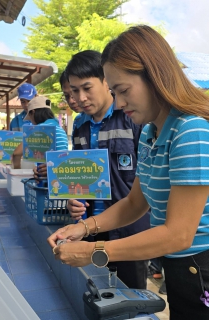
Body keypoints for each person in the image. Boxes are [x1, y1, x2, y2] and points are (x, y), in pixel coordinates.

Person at [48, 25, 209, 320]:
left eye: (122, 91)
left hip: (199, 267)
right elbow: (136, 202)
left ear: (154, 75)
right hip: (176, 266)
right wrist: (84, 228)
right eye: (114, 92)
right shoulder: (151, 132)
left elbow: (180, 234)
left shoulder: (191, 130)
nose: (119, 103)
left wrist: (94, 250)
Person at [60, 50, 150, 289]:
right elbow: (77, 175)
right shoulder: (79, 127)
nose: (80, 97)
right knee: (97, 291)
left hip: (130, 230)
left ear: (106, 81)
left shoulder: (133, 119)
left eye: (86, 88)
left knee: (131, 294)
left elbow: (149, 181)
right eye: (73, 90)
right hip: (90, 228)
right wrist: (73, 198)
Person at [12, 96, 68, 169]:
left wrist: (17, 170)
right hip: (60, 171)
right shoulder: (60, 129)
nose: (31, 121)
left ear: (33, 112)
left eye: (30, 117)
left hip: (44, 175)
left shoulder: (39, 130)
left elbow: (16, 154)